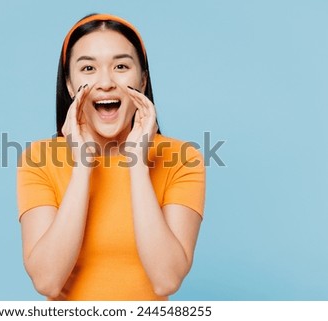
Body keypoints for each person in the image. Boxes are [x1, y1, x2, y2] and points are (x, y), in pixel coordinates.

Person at [17, 13, 205, 301]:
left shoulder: (182, 158)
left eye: (120, 66)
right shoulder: (38, 159)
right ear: (69, 84)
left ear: (142, 80)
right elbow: (47, 281)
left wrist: (137, 163)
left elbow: (166, 280)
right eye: (88, 68)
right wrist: (82, 166)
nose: (105, 82)